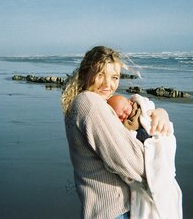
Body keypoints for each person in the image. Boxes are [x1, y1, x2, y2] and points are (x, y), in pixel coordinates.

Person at [61, 46, 172, 219]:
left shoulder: (93, 104)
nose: (108, 84)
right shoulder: (89, 103)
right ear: (84, 74)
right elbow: (135, 163)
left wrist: (160, 113)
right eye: (100, 75)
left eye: (114, 77)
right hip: (115, 212)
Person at [108, 94, 183, 219]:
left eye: (125, 110)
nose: (123, 115)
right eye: (119, 115)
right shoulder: (122, 127)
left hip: (156, 149)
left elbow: (165, 131)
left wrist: (162, 113)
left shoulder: (145, 110)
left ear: (130, 103)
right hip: (140, 178)